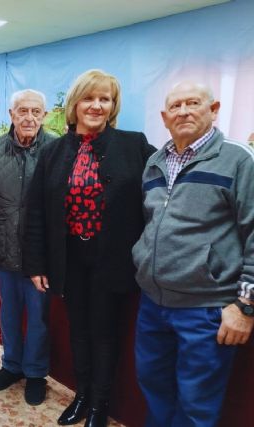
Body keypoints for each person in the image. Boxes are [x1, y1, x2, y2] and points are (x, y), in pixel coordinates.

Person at [23, 69, 156, 427]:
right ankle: (81, 394)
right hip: (69, 260)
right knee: (78, 329)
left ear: (113, 106)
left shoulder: (134, 145)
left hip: (112, 260)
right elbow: (35, 210)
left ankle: (99, 404)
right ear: (75, 104)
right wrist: (36, 264)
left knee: (105, 332)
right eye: (89, 98)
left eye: (105, 99)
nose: (96, 105)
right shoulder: (53, 151)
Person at [132, 82, 254, 427]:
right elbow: (151, 222)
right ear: (164, 117)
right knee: (154, 388)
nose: (183, 111)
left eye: (193, 103)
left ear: (213, 110)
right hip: (153, 304)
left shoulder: (238, 159)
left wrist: (246, 306)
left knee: (196, 404)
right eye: (175, 106)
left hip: (205, 309)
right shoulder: (155, 161)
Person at [0, 89, 56, 406]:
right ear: (11, 114)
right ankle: (11, 365)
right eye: (23, 111)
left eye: (36, 111)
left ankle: (35, 373)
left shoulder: (56, 149)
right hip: (3, 246)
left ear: (44, 116)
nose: (29, 117)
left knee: (38, 317)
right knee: (9, 312)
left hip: (41, 255)